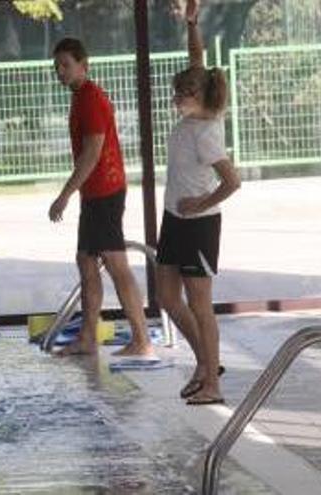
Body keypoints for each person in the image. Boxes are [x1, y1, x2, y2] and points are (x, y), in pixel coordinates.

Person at [48, 38, 154, 357]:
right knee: (85, 260)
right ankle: (88, 337)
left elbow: (92, 153)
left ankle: (141, 339)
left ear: (84, 64)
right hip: (96, 191)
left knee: (116, 263)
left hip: (104, 191)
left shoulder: (91, 98)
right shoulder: (82, 97)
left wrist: (64, 196)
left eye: (66, 65)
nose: (60, 72)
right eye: (57, 67)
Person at [157, 0, 240, 405]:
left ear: (199, 96)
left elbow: (233, 181)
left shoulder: (206, 131)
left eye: (181, 94)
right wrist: (192, 22)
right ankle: (206, 364)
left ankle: (213, 383)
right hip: (174, 218)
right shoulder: (195, 110)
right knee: (168, 298)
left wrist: (203, 202)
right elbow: (197, 61)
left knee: (200, 304)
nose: (175, 99)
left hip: (199, 222)